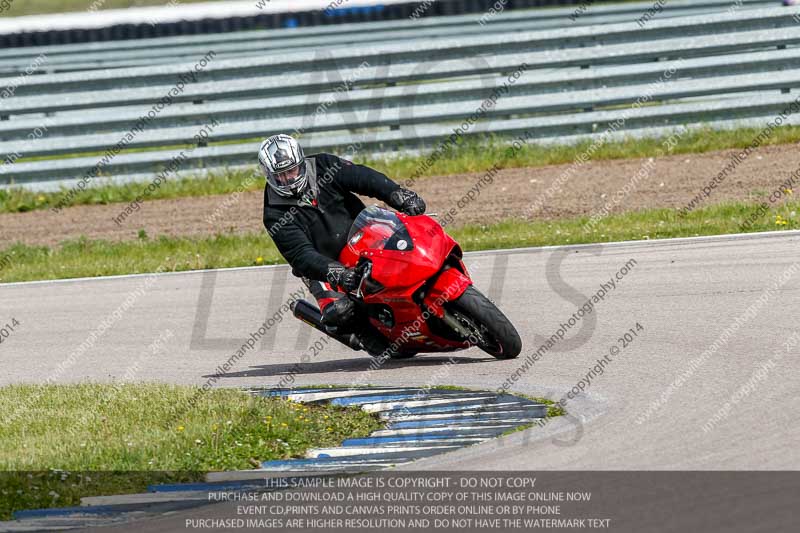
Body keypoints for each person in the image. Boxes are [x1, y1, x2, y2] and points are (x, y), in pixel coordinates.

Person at [260, 134, 426, 356]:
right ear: (269, 176)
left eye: (292, 170)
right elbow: (300, 254)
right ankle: (366, 334)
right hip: (324, 265)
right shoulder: (273, 212)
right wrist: (335, 272)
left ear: (301, 161)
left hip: (365, 235)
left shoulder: (323, 165)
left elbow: (362, 177)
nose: (289, 179)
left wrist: (397, 194)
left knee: (411, 248)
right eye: (281, 175)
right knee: (339, 312)